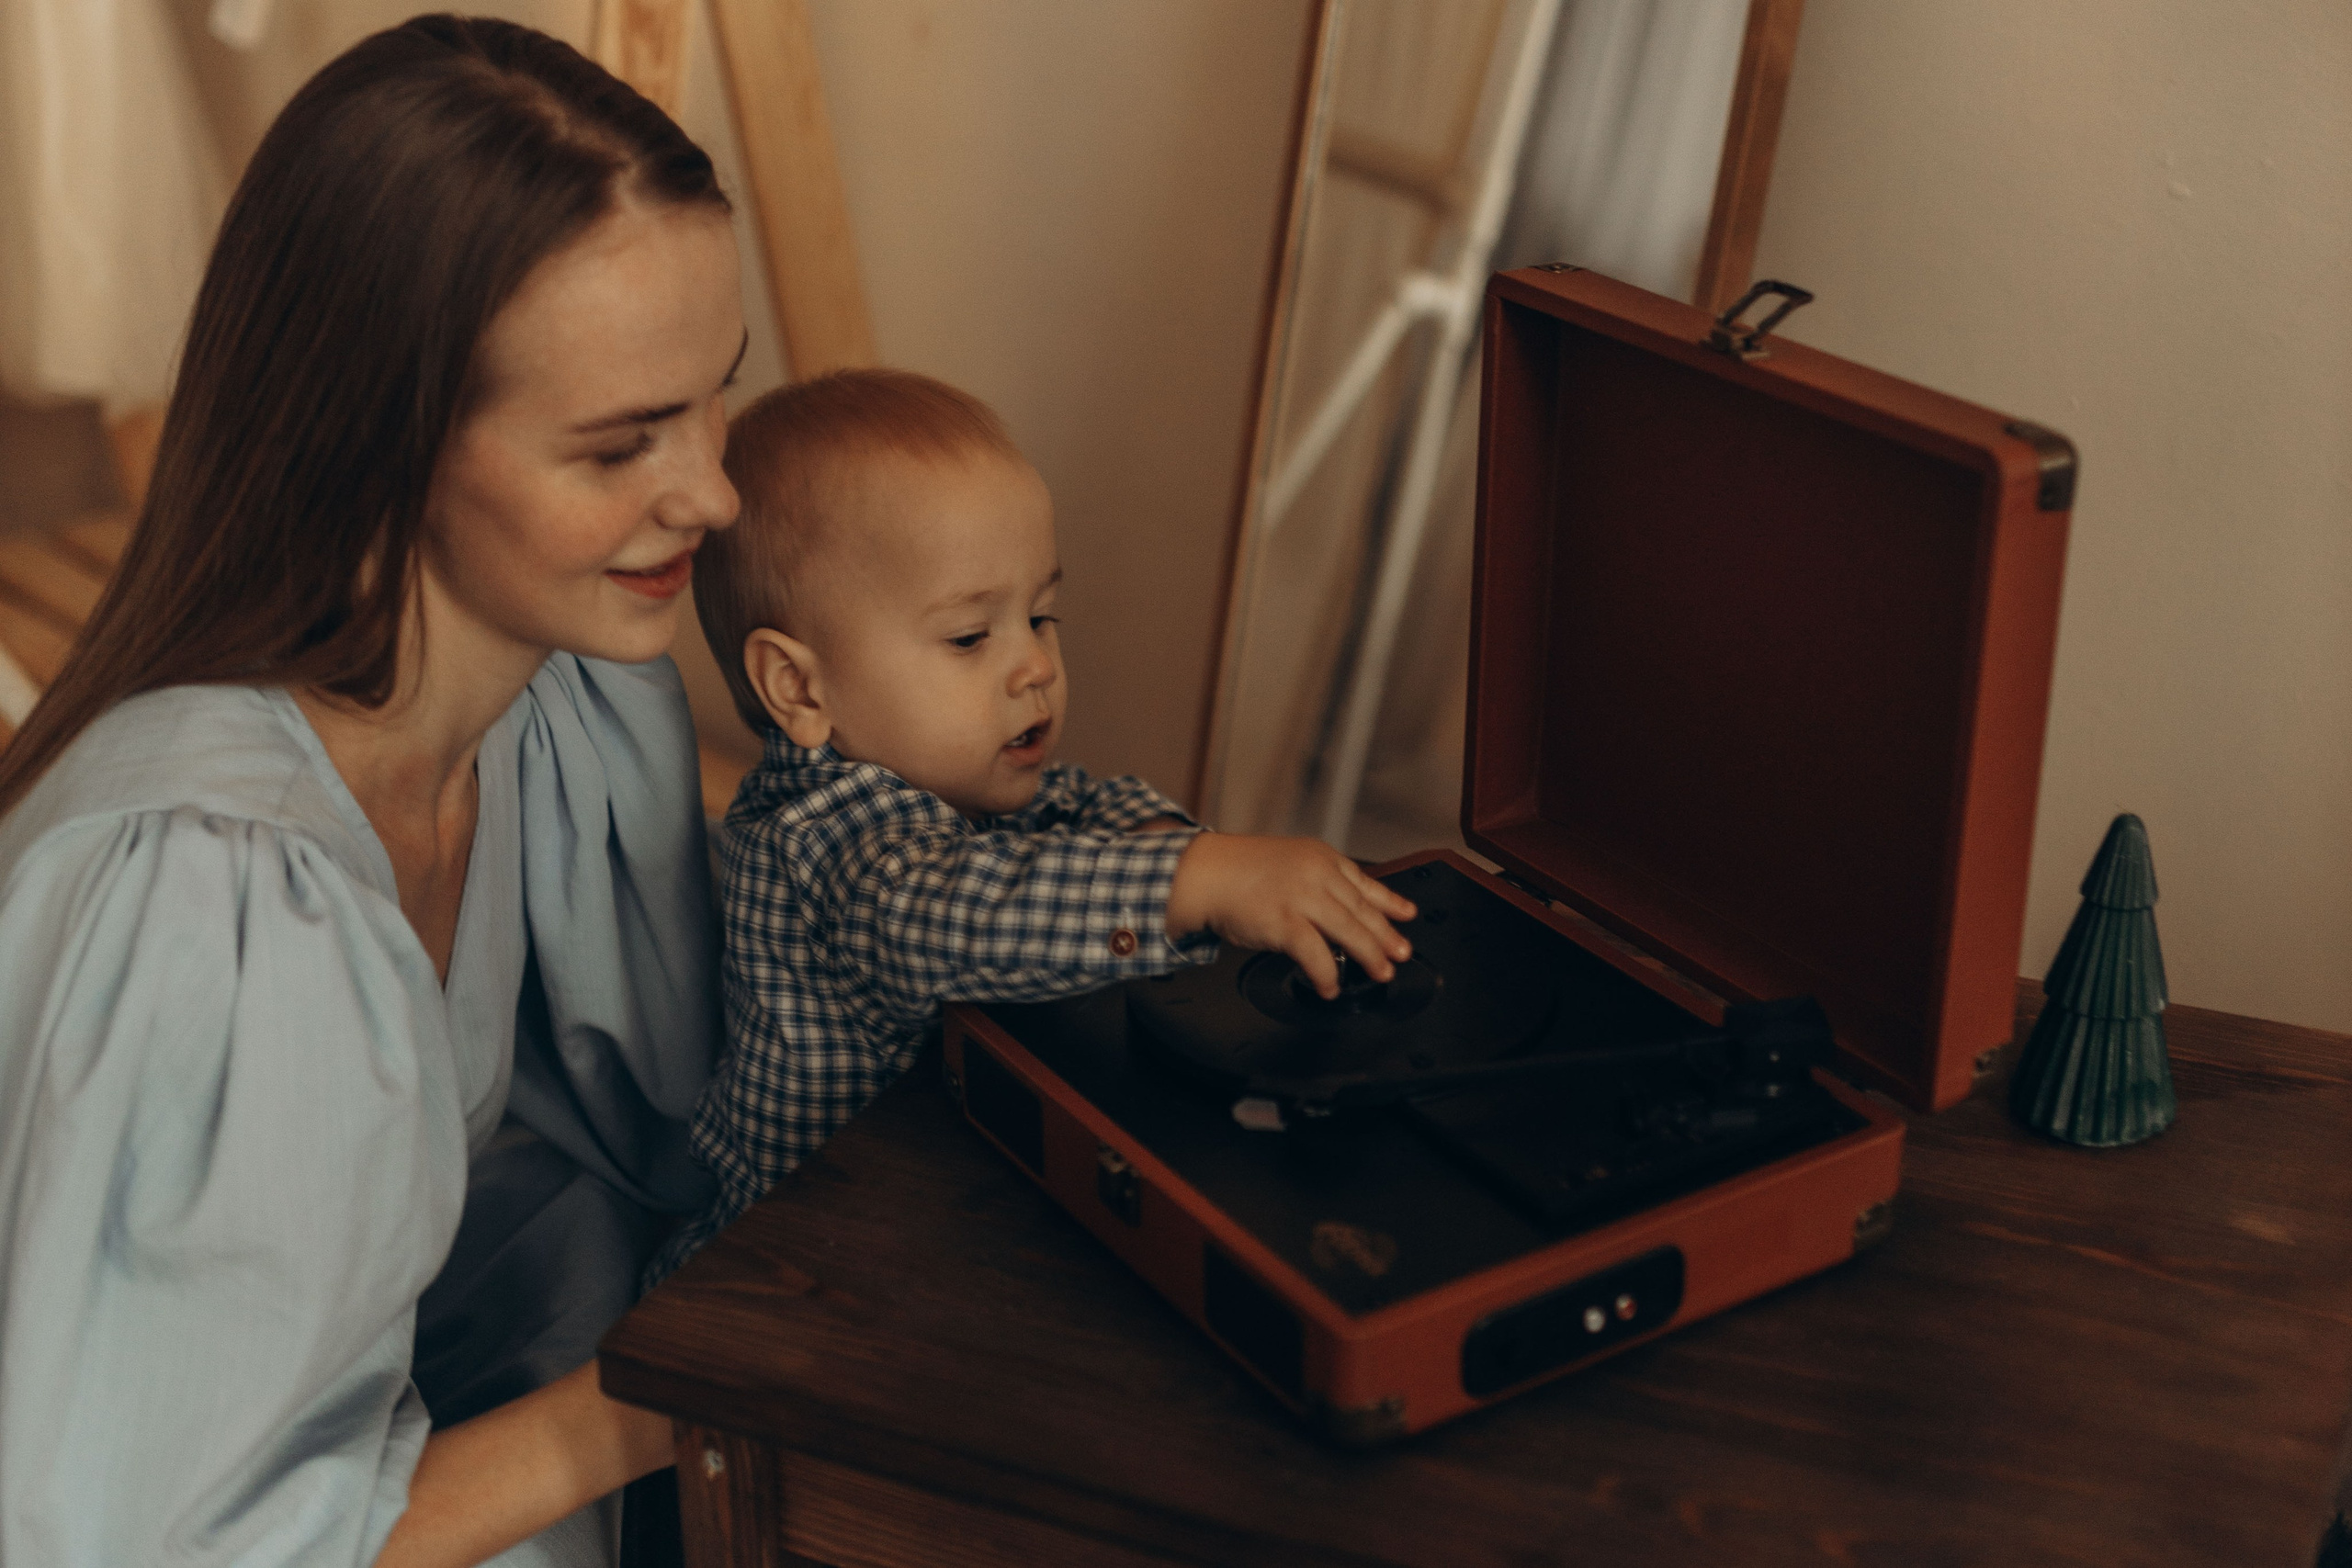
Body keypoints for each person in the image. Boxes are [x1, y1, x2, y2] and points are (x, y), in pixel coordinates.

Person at [0, 17, 742, 1567]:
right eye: (620, 447)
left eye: (713, 400)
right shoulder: (211, 905)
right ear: (386, 438)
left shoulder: (562, 711)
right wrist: (685, 1384)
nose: (711, 491)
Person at [661, 369, 1418, 1277]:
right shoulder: (823, 843)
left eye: (1040, 615)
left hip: (939, 1212)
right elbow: (964, 912)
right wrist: (1192, 884)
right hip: (792, 1269)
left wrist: (1169, 844)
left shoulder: (954, 781)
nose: (1035, 666)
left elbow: (1078, 803)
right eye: (970, 637)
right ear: (799, 687)